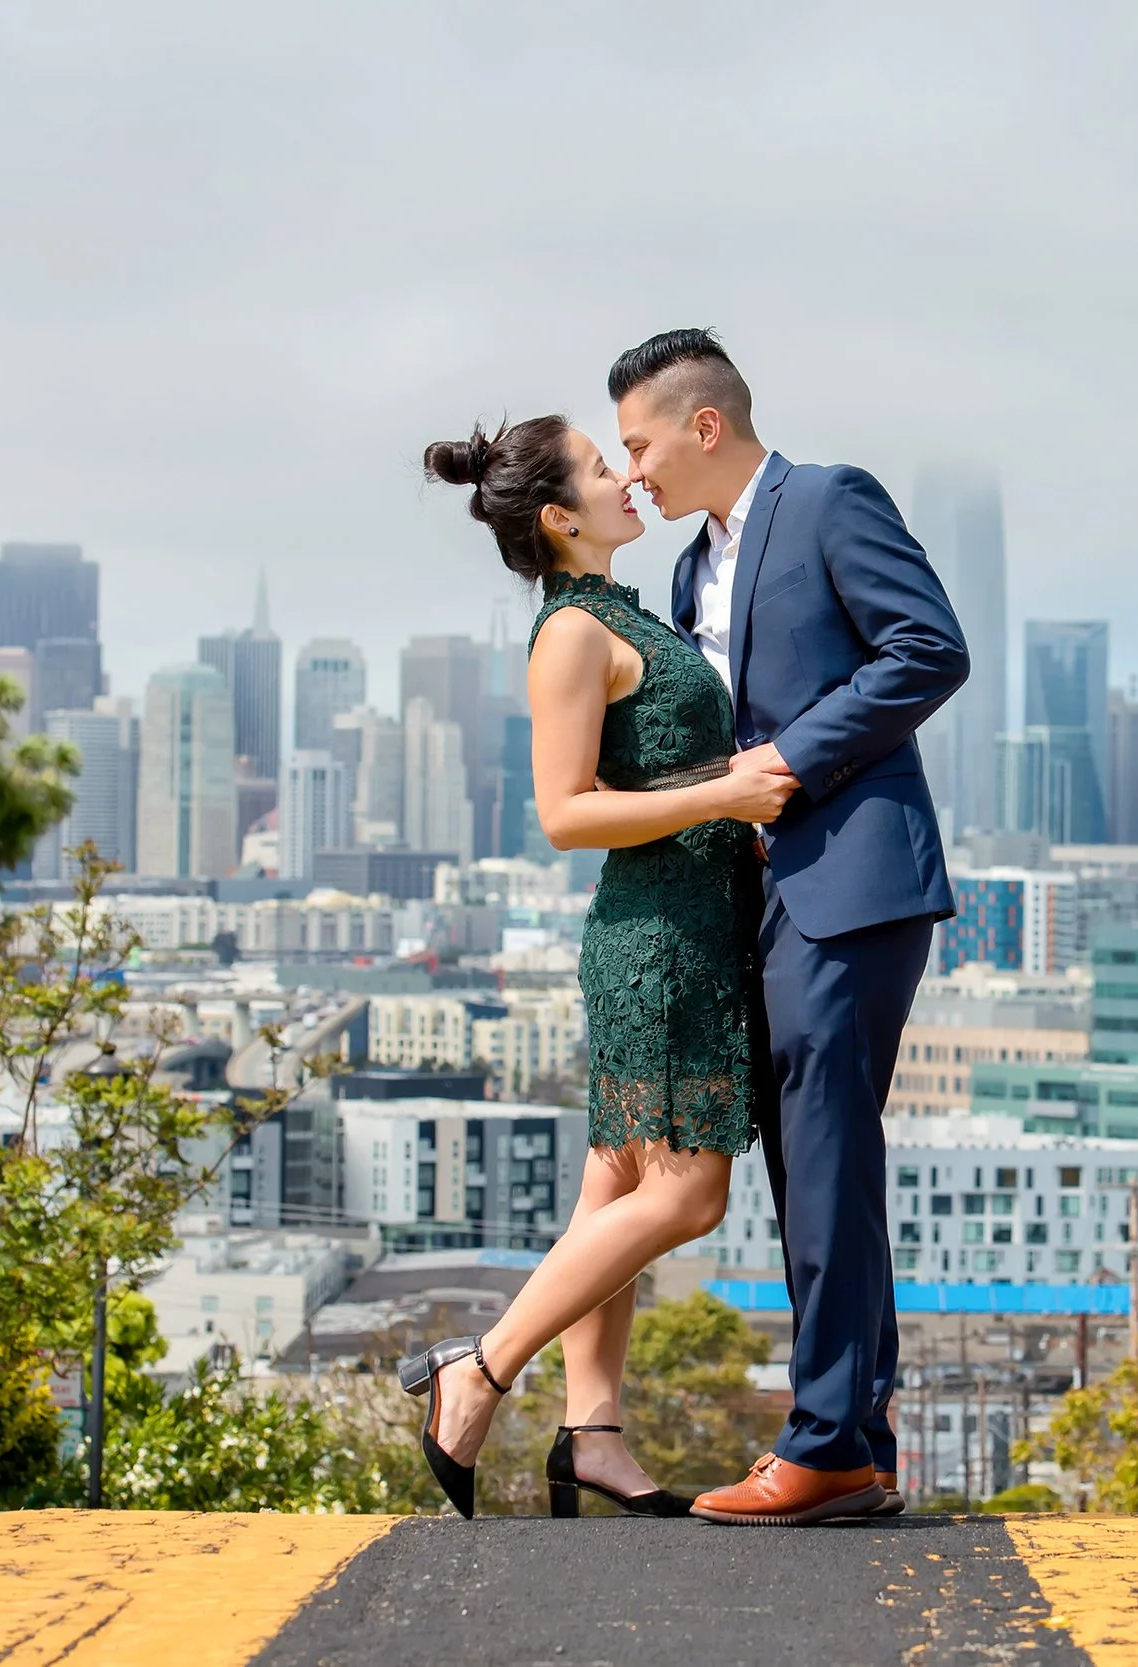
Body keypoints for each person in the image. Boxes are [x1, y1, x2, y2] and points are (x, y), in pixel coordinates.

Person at [398, 413, 795, 1519]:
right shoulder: (571, 631)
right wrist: (725, 793)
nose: (631, 478)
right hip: (658, 945)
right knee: (688, 1192)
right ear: (563, 516)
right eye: (605, 465)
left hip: (688, 927)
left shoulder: (625, 611)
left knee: (616, 1186)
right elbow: (565, 812)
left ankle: (593, 1434)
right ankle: (474, 1372)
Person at [610, 329, 969, 1526]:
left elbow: (930, 645)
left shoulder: (825, 503)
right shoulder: (685, 574)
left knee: (819, 1151)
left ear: (703, 425)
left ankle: (824, 1442)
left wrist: (787, 757)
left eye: (640, 442)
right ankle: (854, 1441)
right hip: (760, 893)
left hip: (851, 879)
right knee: (812, 1158)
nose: (633, 472)